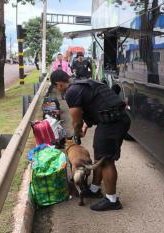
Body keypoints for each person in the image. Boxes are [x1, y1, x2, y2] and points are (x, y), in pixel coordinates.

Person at [50, 70, 131, 211]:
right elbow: (96, 104)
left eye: (56, 87)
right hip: (112, 119)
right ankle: (94, 189)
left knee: (106, 160)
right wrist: (87, 124)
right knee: (99, 155)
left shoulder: (71, 92)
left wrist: (77, 134)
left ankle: (112, 200)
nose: (58, 89)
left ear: (59, 84)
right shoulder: (82, 84)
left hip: (113, 122)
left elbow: (76, 122)